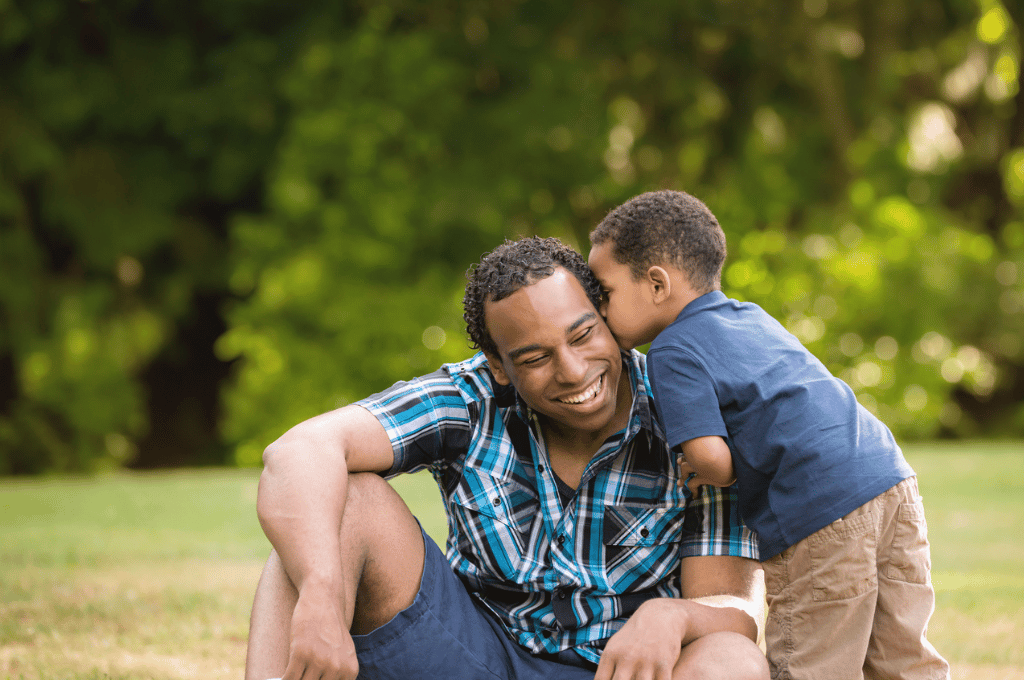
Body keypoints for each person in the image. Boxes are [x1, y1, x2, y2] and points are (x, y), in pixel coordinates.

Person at [245, 236, 770, 680]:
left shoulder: (692, 422)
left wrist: (672, 616)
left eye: (583, 335)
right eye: (535, 358)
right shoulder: (469, 398)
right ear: (498, 364)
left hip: (623, 668)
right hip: (474, 656)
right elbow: (299, 451)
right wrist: (321, 592)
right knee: (338, 506)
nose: (572, 370)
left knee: (730, 660)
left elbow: (736, 612)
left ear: (606, 318)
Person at [587, 190, 950, 680]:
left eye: (605, 293)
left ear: (656, 284)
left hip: (820, 508)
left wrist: (695, 466)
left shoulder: (672, 350)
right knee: (903, 656)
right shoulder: (750, 317)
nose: (601, 312)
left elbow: (712, 459)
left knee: (812, 663)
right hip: (890, 480)